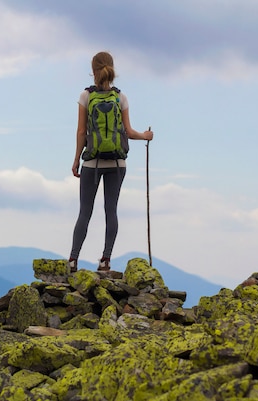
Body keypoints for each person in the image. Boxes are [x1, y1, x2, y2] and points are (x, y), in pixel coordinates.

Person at [69, 51, 153, 273]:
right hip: (117, 164)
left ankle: (73, 260)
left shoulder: (86, 96)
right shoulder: (120, 97)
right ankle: (105, 260)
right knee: (111, 211)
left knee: (85, 211)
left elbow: (80, 132)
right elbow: (128, 131)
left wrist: (77, 158)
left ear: (93, 70)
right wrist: (145, 136)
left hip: (92, 163)